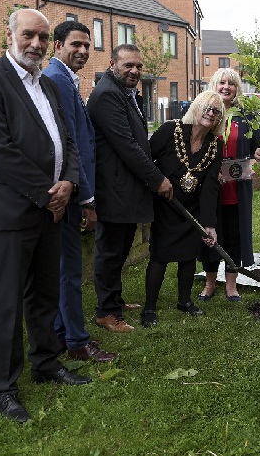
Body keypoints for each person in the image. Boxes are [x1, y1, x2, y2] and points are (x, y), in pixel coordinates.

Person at [0, 8, 91, 425]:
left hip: (51, 209)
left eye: (42, 37)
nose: (36, 44)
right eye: (29, 35)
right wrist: (47, 193)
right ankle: (3, 387)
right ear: (10, 34)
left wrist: (69, 183)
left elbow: (68, 142)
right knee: (6, 303)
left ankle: (46, 362)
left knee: (44, 294)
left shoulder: (49, 85)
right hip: (11, 212)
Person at [42, 21, 116, 363]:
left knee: (64, 271)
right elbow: (71, 144)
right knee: (70, 272)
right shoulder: (57, 79)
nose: (83, 51)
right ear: (58, 45)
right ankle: (77, 342)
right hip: (69, 193)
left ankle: (60, 334)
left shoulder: (65, 78)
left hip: (70, 191)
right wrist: (87, 199)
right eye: (76, 44)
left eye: (87, 45)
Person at [86, 44, 172, 333]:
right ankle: (105, 312)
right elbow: (128, 147)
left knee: (120, 249)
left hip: (124, 189)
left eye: (138, 66)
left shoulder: (123, 91)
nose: (134, 71)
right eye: (128, 65)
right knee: (110, 251)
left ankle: (115, 300)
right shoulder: (108, 94)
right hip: (113, 189)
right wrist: (157, 178)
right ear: (113, 64)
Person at [142, 91, 224, 326]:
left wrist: (209, 225)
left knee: (188, 257)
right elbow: (146, 159)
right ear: (196, 108)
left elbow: (210, 188)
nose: (210, 113)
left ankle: (184, 301)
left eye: (216, 111)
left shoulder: (215, 146)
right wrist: (158, 181)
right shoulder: (170, 130)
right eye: (207, 107)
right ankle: (149, 308)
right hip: (165, 206)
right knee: (159, 256)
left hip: (192, 209)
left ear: (219, 119)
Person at [198, 68, 260, 302]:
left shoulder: (246, 116)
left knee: (234, 236)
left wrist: (259, 153)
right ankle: (208, 283)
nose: (226, 87)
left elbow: (259, 145)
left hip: (237, 188)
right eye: (222, 82)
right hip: (210, 189)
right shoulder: (206, 112)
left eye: (232, 83)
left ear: (237, 88)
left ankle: (231, 285)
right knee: (209, 236)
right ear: (214, 85)